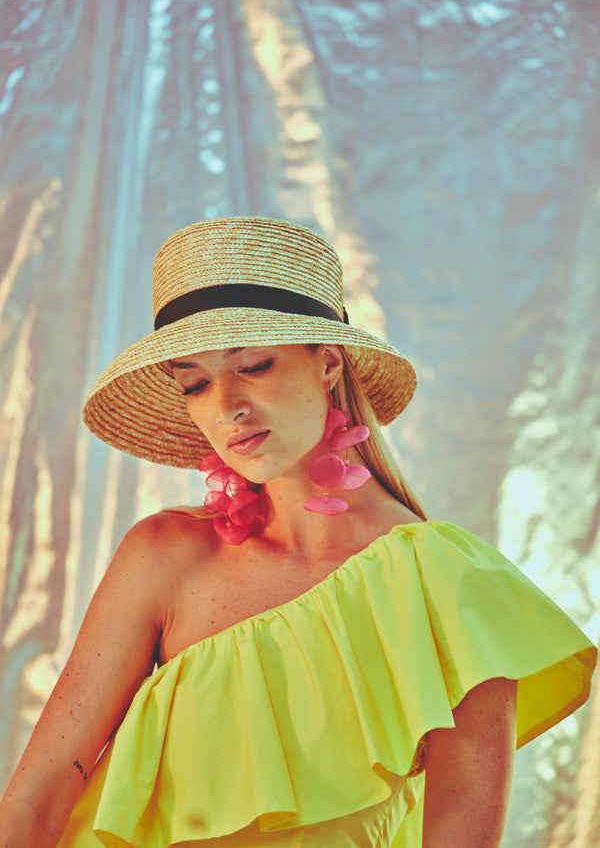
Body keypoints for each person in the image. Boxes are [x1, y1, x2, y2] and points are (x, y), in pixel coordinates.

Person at [0, 216, 596, 848]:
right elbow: (34, 807)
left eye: (252, 364)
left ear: (329, 363)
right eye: (195, 383)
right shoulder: (162, 558)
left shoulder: (448, 590)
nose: (226, 405)